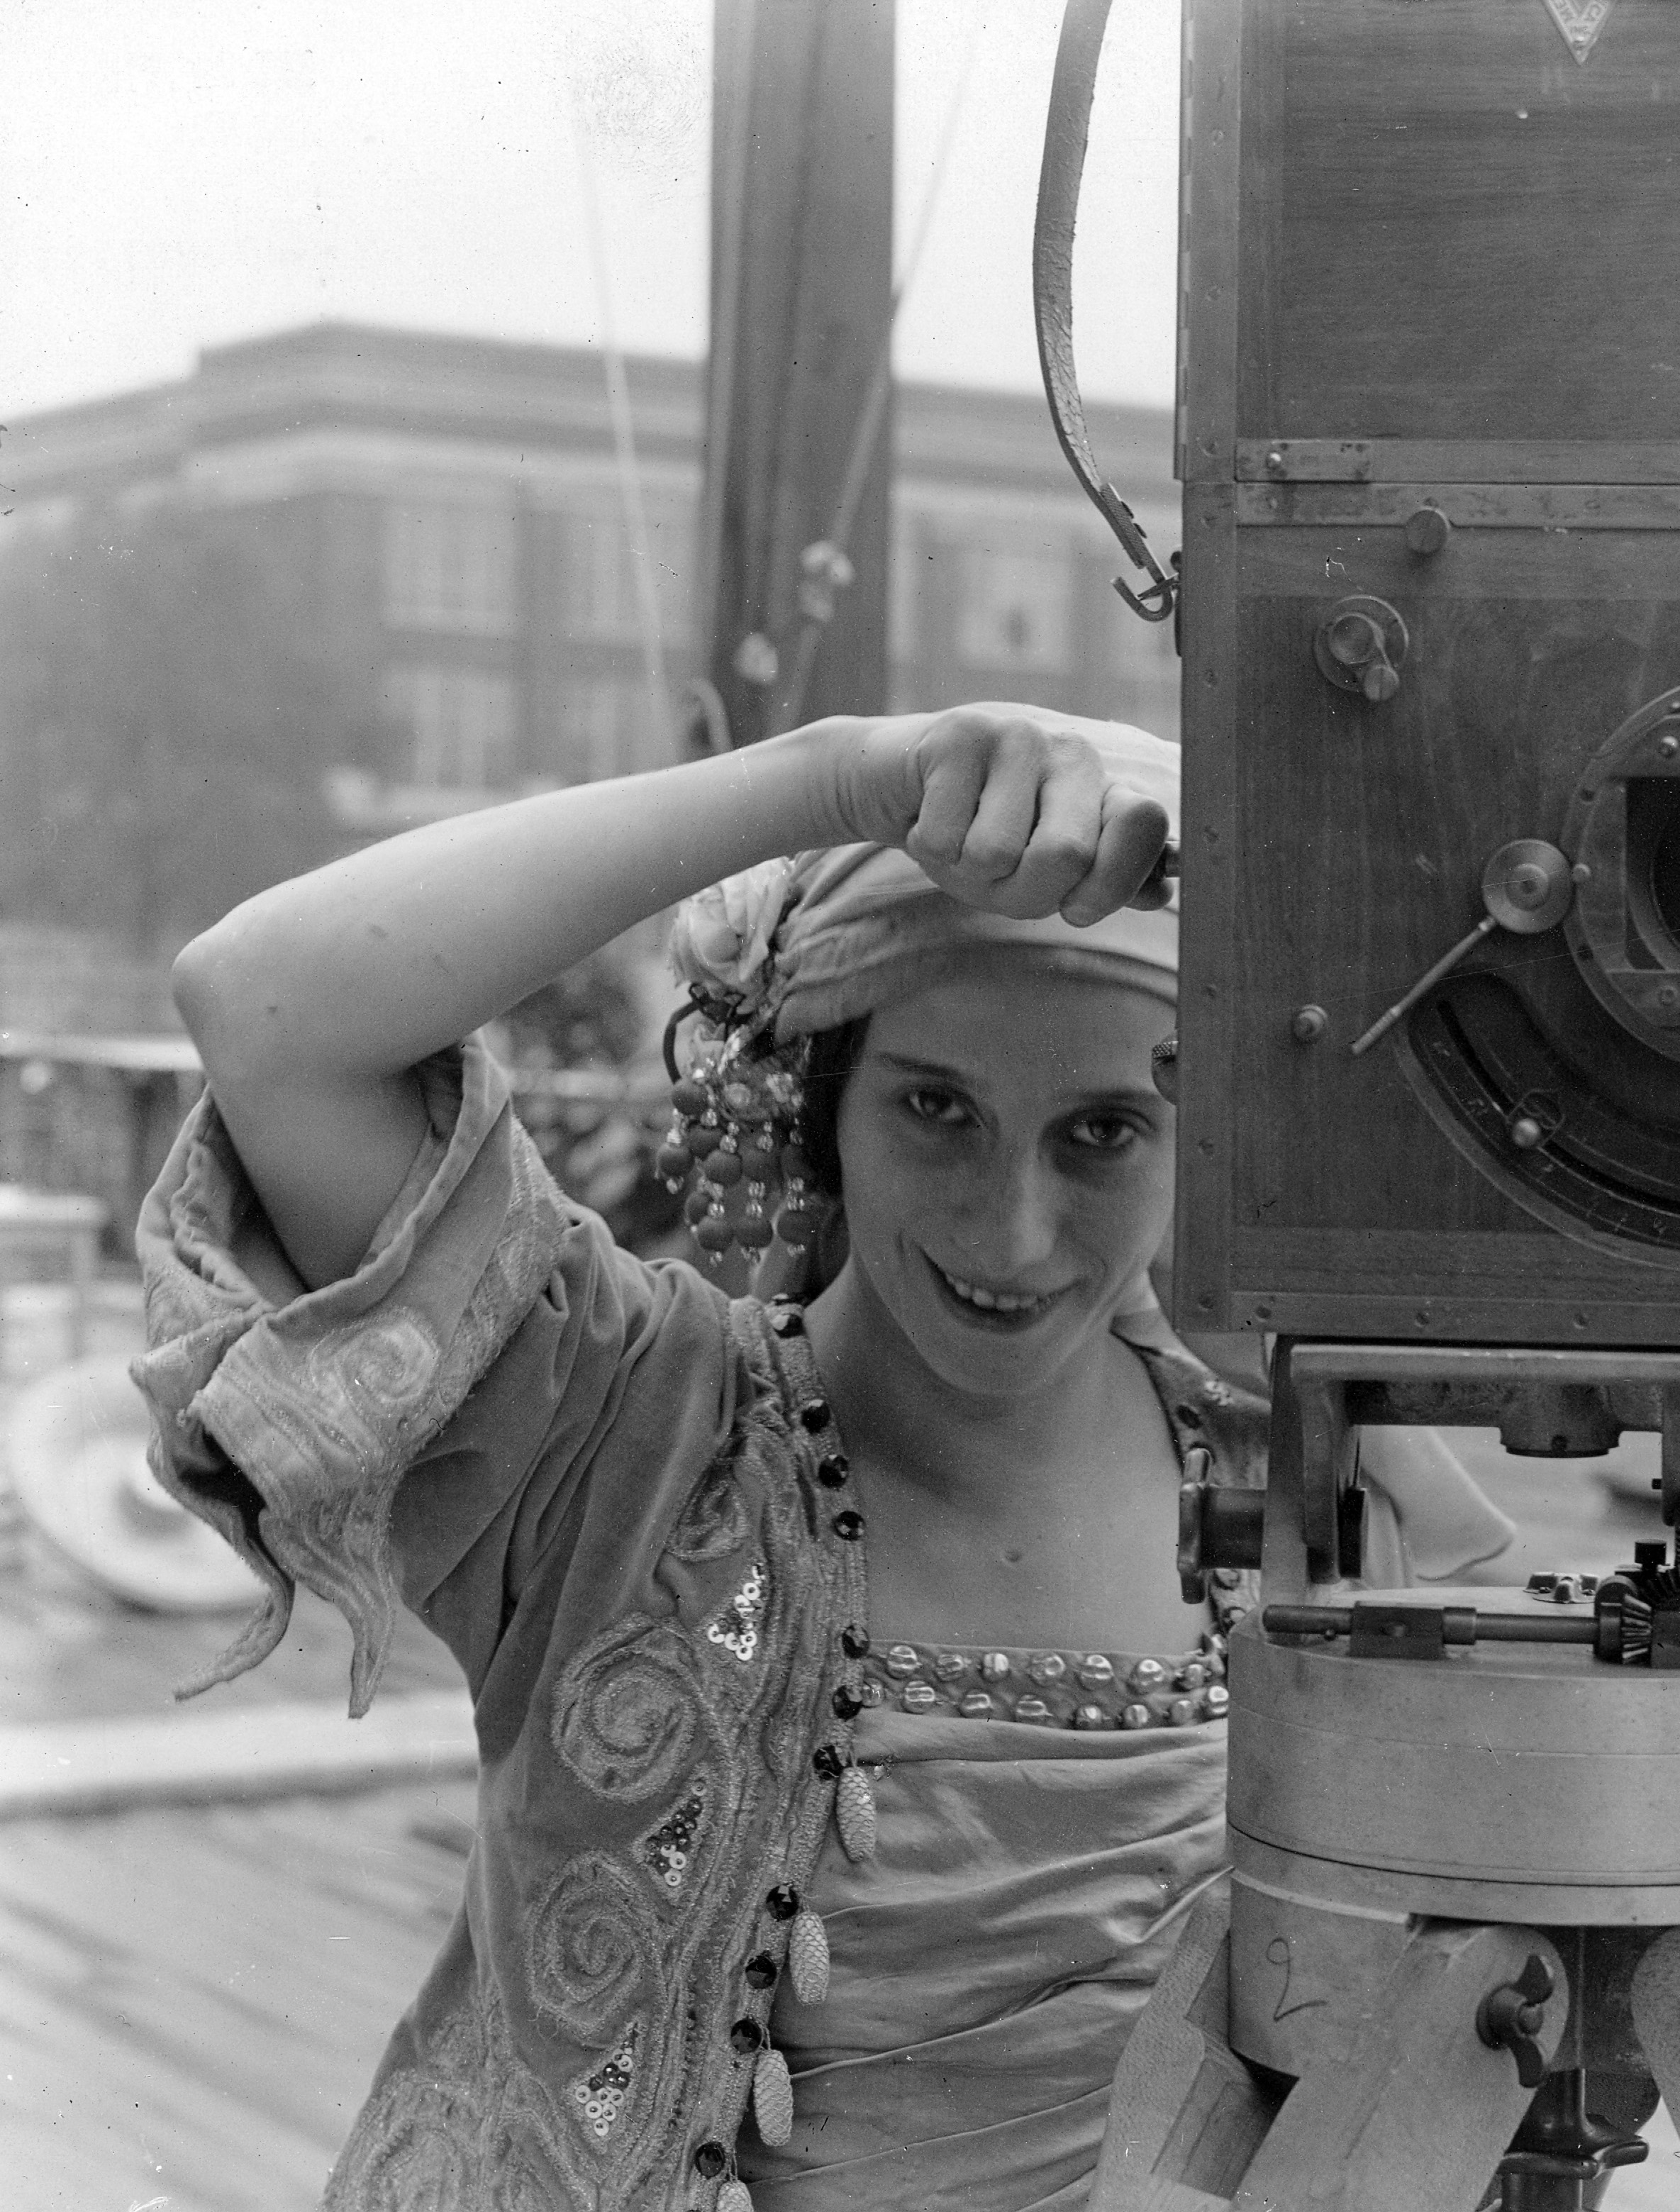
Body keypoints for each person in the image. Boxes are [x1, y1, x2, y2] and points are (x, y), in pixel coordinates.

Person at [133, 705, 1515, 2212]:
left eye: (1106, 1132)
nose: (1014, 1232)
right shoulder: (614, 1428)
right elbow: (262, 1004)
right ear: (816, 1110)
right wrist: (833, 777)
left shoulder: (1321, 1507)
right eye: (937, 1108)